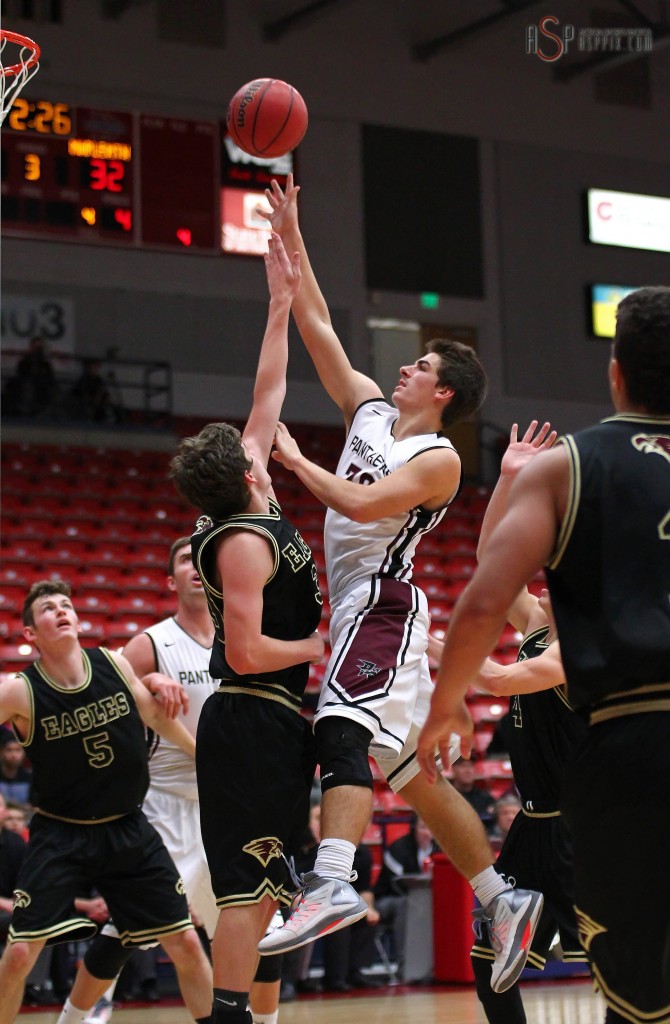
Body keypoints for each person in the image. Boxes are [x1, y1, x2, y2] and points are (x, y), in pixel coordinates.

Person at [255, 175, 543, 996]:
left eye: (419, 365)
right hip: (359, 608)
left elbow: (362, 500)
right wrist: (292, 235)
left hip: (382, 602)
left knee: (339, 734)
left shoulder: (438, 459)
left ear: (443, 392)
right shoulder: (373, 412)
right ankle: (502, 895)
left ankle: (332, 880)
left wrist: (298, 461)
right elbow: (318, 329)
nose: (403, 369)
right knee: (412, 771)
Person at [417, 287, 670, 1024]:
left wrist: (447, 701)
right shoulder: (547, 607)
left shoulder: (572, 467)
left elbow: (485, 593)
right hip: (561, 800)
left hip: (627, 749)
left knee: (635, 989)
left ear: (615, 373)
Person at [169, 230, 324, 1024]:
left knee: (268, 884)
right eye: (250, 454)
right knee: (247, 881)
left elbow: (267, 393)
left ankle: (253, 1014)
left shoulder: (249, 497)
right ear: (243, 476)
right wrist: (315, 647)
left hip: (268, 720)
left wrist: (278, 308)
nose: (258, 444)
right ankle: (230, 1016)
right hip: (250, 713)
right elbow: (246, 649)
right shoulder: (238, 540)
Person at [0, 580, 213, 1024]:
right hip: (61, 833)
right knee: (20, 954)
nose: (61, 611)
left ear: (77, 620)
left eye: (66, 605)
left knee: (187, 944)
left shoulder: (113, 665)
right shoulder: (20, 691)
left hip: (127, 827)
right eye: (47, 609)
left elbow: (155, 716)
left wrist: (205, 758)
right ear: (30, 634)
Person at [373, 815, 440, 978]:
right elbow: (395, 884)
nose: (428, 833)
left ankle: (441, 967)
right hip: (388, 899)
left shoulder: (439, 849)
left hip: (425, 902)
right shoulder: (398, 848)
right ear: (413, 829)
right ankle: (406, 966)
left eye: (431, 828)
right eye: (423, 827)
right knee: (405, 905)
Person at [5, 336, 57, 417]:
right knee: (24, 386)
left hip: (41, 386)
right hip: (26, 384)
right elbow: (21, 374)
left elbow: (50, 377)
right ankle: (23, 410)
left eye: (39, 348)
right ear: (31, 348)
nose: (37, 350)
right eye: (36, 348)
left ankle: (42, 411)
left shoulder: (45, 365)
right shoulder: (24, 362)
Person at [449, 756, 496, 833]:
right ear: (453, 770)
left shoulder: (486, 799)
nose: (468, 770)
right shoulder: (445, 798)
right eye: (463, 766)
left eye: (470, 766)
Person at [0, 733, 33, 805]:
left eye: (18, 750)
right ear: (1, 752)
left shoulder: (29, 778)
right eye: (9, 750)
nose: (14, 755)